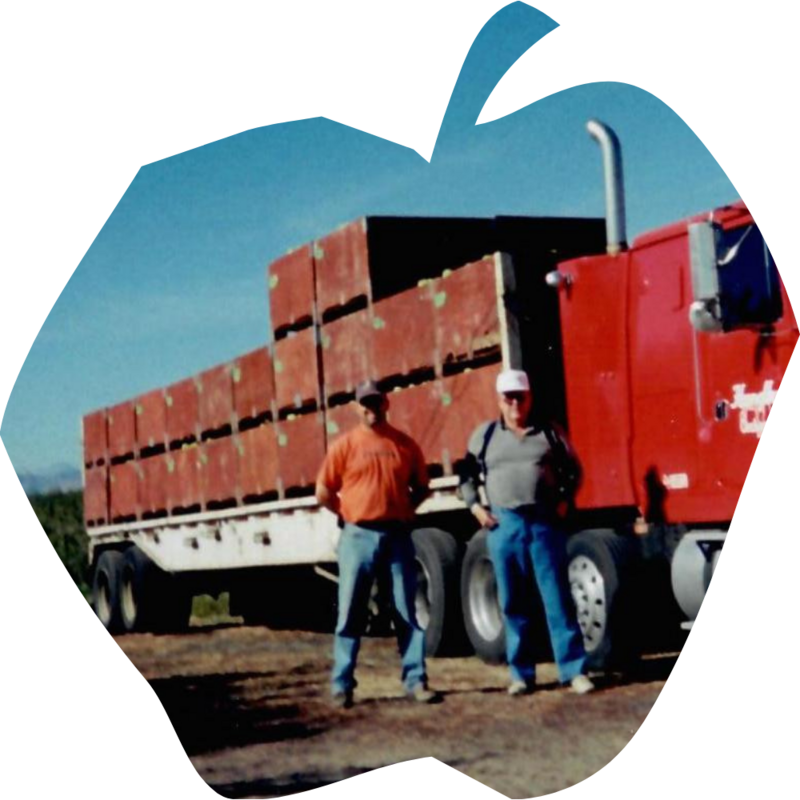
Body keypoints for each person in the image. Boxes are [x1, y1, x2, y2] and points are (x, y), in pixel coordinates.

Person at [459, 368, 595, 696]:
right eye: (509, 398)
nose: (515, 404)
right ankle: (521, 674)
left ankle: (574, 670)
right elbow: (465, 475)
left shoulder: (549, 433)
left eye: (521, 396)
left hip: (543, 523)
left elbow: (574, 471)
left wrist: (564, 503)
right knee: (513, 601)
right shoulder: (485, 436)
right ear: (500, 401)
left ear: (530, 398)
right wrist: (475, 507)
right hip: (505, 525)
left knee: (557, 598)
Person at [316, 380, 438, 708]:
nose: (371, 410)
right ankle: (342, 683)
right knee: (351, 610)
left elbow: (423, 487)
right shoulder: (345, 446)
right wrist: (346, 512)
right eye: (364, 405)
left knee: (405, 609)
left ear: (387, 403)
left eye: (375, 402)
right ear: (357, 408)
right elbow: (323, 491)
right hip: (357, 536)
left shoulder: (404, 445)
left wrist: (406, 510)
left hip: (397, 535)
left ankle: (416, 680)